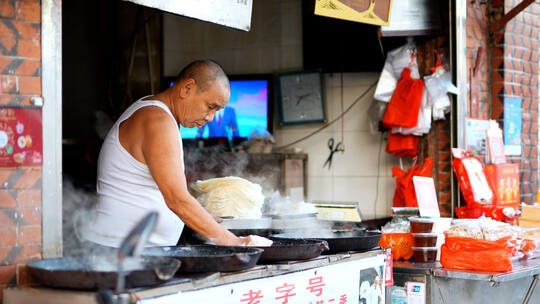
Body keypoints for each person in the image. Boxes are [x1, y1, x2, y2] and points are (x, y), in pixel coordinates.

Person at [84, 59, 254, 248]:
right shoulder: (158, 120)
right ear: (187, 88)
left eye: (216, 110)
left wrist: (202, 215)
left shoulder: (156, 111)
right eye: (210, 106)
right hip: (119, 252)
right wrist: (236, 242)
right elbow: (177, 199)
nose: (211, 117)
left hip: (130, 249)